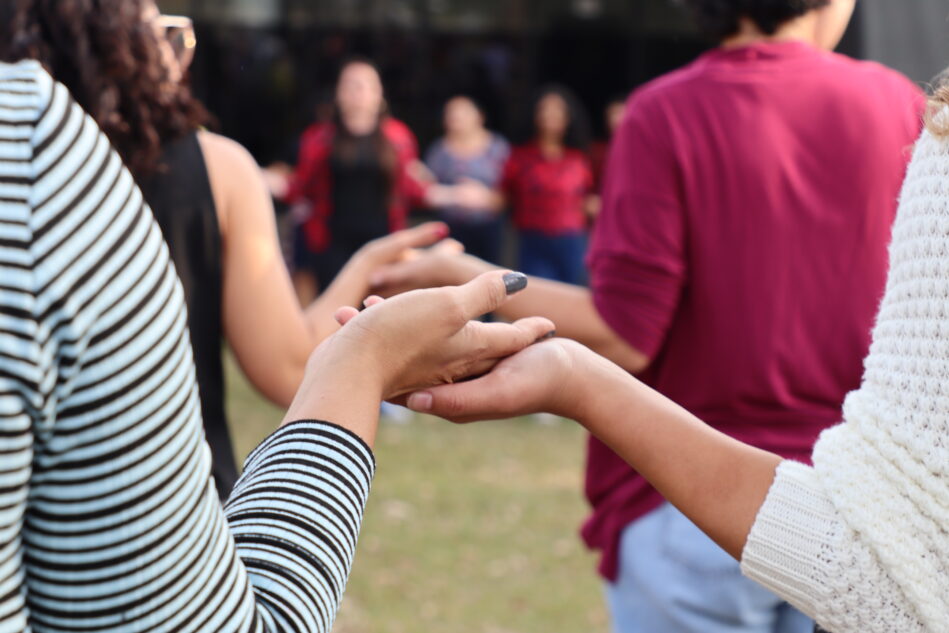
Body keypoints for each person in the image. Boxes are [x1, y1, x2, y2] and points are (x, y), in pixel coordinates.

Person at [369, 1, 925, 631]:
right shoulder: (901, 107)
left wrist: (463, 277)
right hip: (854, 517)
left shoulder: (666, 112)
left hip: (691, 503)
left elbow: (624, 335)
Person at [0, 54, 555, 630]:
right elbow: (291, 365)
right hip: (180, 513)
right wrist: (365, 356)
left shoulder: (390, 139)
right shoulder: (207, 162)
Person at [1, 0, 461, 499]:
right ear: (121, 41)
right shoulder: (218, 168)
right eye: (169, 33)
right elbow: (290, 368)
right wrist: (367, 267)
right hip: (175, 508)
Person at [279, 57, 483, 295]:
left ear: (379, 94)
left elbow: (413, 189)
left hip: (381, 238)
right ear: (338, 94)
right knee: (336, 309)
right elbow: (300, 186)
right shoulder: (318, 138)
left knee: (376, 310)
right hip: (332, 241)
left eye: (365, 85)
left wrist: (455, 194)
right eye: (350, 85)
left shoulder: (397, 137)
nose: (358, 92)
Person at [501, 86, 597, 284]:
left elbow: (589, 198)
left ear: (568, 117)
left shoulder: (578, 158)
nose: (550, 115)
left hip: (572, 239)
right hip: (533, 238)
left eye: (557, 110)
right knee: (537, 298)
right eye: (544, 109)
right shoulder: (520, 157)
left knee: (572, 299)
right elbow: (502, 195)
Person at [424, 95, 510, 264]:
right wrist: (454, 194)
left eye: (462, 112)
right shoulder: (438, 151)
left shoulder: (498, 148)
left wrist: (485, 198)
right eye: (450, 113)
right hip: (451, 227)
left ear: (479, 116)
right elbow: (427, 190)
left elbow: (511, 189)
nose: (456, 117)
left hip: (488, 226)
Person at [590, 97, 627, 194]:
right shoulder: (597, 152)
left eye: (621, 113)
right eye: (613, 114)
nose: (617, 119)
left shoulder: (641, 150)